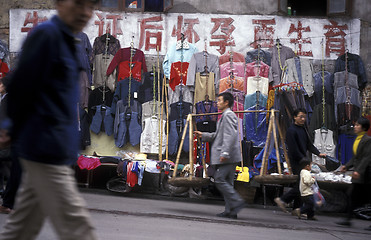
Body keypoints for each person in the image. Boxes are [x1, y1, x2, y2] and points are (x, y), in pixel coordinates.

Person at [0, 0, 99, 239]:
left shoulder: (70, 41)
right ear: (60, 3)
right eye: (78, 4)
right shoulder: (46, 36)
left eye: (90, 6)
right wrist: (7, 128)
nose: (85, 13)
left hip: (57, 149)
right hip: (45, 148)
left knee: (22, 228)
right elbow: (21, 84)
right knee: (78, 229)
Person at [194, 92, 245, 219]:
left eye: (220, 100)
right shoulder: (224, 116)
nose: (217, 102)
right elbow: (219, 135)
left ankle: (237, 201)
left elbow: (230, 136)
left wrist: (225, 153)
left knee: (219, 179)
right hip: (230, 156)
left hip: (228, 156)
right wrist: (204, 135)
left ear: (226, 102)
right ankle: (231, 211)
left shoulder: (228, 115)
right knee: (227, 181)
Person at [274, 108, 326, 214]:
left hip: (304, 161)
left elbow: (309, 145)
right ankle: (283, 200)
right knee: (301, 186)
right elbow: (293, 150)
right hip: (297, 162)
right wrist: (304, 161)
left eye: (304, 117)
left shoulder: (303, 129)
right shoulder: (291, 131)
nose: (303, 119)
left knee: (301, 185)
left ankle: (296, 209)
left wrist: (318, 153)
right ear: (294, 117)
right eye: (301, 117)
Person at [336, 117, 371, 230]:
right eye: (355, 125)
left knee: (366, 197)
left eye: (357, 125)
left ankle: (348, 218)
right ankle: (348, 219)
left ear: (364, 128)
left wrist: (358, 171)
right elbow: (355, 157)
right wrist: (346, 166)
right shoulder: (357, 139)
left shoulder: (367, 140)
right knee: (352, 195)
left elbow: (366, 158)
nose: (355, 127)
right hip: (359, 173)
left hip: (366, 174)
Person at [0, 77, 21, 215]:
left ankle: (8, 203)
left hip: (12, 141)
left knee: (15, 171)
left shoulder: (8, 99)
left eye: (1, 84)